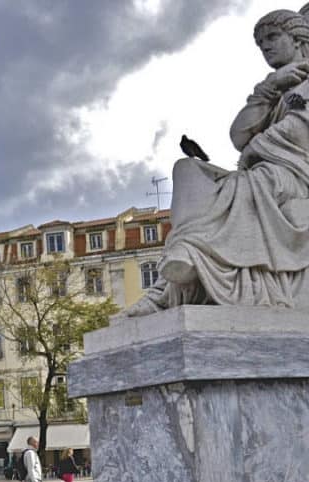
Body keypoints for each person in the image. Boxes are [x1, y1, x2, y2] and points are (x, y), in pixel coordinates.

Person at [127, 9, 309, 317]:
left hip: (294, 174)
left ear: (298, 38)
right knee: (187, 170)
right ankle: (180, 262)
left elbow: (299, 131)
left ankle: (175, 284)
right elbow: (238, 135)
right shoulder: (279, 86)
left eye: (273, 37)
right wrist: (267, 89)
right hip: (267, 167)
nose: (266, 47)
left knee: (254, 183)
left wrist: (256, 147)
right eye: (261, 42)